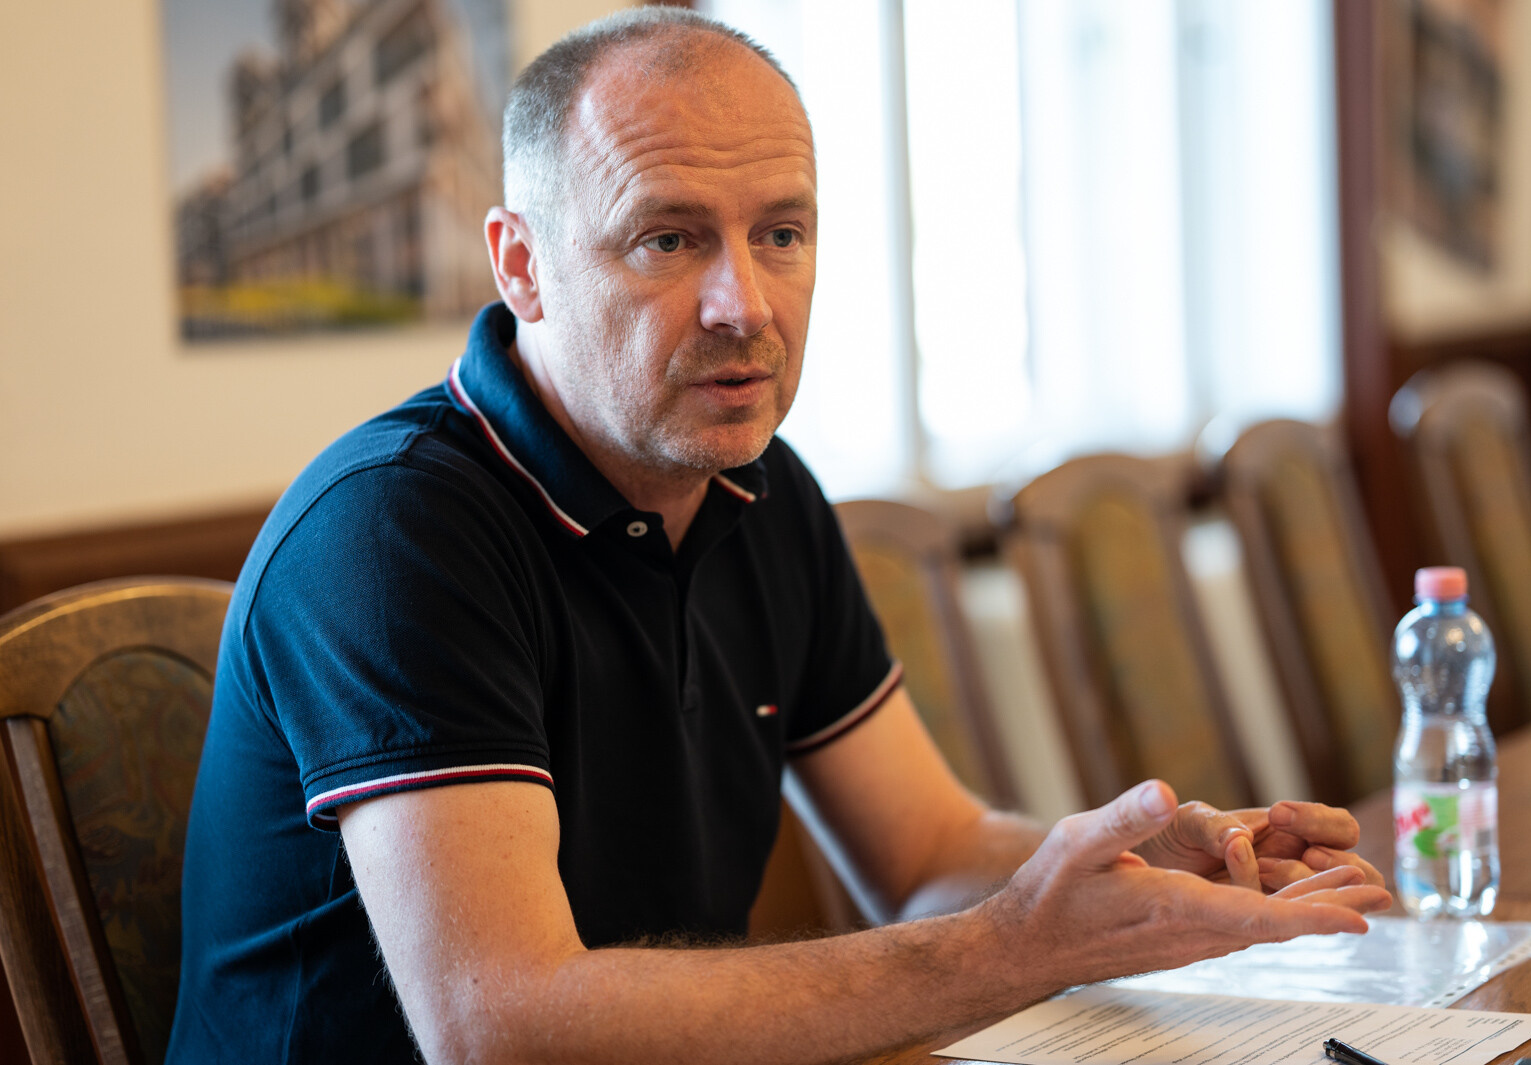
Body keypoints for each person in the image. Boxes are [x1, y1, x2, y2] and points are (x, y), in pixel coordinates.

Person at [167, 9, 1389, 1064]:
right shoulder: (392, 531)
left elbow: (925, 852)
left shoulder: (759, 484)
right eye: (669, 238)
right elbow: (505, 1025)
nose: (743, 305)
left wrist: (1142, 871)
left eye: (782, 235)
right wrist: (1010, 945)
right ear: (522, 266)